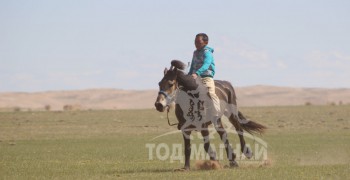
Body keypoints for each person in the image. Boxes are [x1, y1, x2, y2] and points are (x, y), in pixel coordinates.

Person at [188, 33, 221, 117]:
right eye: (195, 41)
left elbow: (206, 64)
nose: (196, 44)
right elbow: (192, 66)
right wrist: (188, 75)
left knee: (210, 94)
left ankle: (217, 115)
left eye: (198, 42)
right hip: (194, 78)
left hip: (206, 77)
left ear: (206, 42)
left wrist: (197, 73)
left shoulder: (207, 52)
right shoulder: (195, 53)